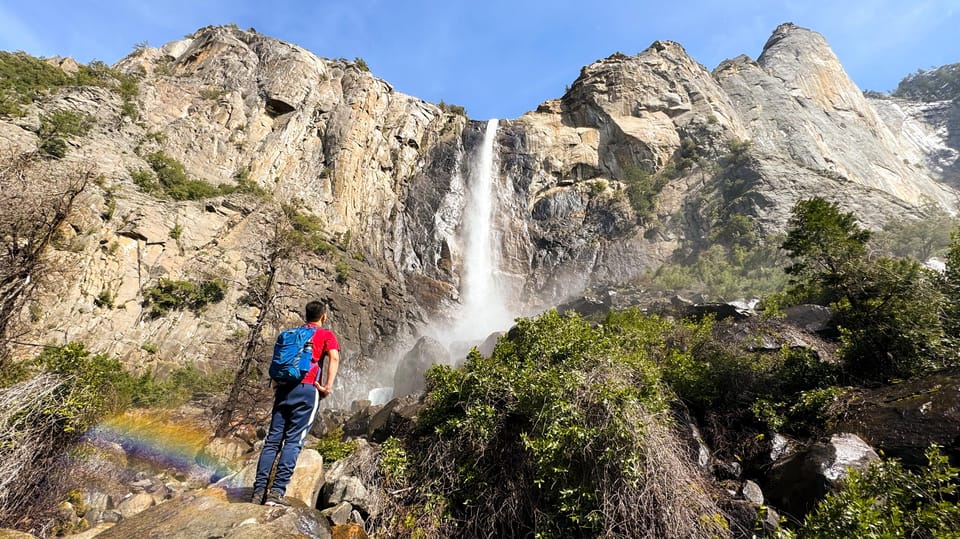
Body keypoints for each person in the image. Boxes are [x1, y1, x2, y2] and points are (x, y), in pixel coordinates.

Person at [251, 300, 341, 506]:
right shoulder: (325, 334)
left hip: (283, 390)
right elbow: (334, 359)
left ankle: (257, 493)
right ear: (323, 316)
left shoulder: (291, 335)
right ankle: (275, 494)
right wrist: (326, 387)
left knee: (272, 442)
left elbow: (280, 360)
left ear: (306, 315)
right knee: (293, 441)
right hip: (307, 390)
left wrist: (276, 385)